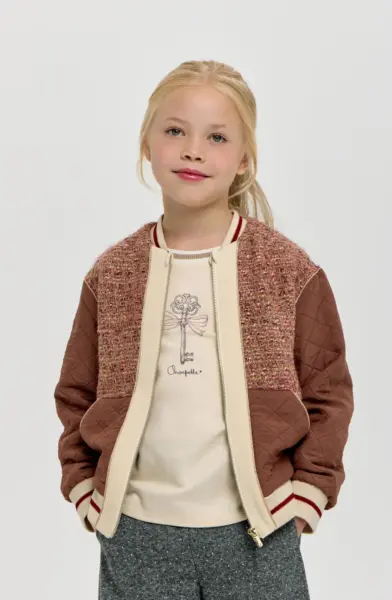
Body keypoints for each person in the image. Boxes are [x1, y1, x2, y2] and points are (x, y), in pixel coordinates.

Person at [54, 60, 354, 599]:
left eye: (217, 137)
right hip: (137, 535)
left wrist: (308, 493)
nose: (194, 151)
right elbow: (77, 392)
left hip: (260, 530)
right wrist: (84, 488)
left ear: (244, 160)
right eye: (175, 131)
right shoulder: (113, 274)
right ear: (147, 145)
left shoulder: (287, 270)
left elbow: (328, 391)